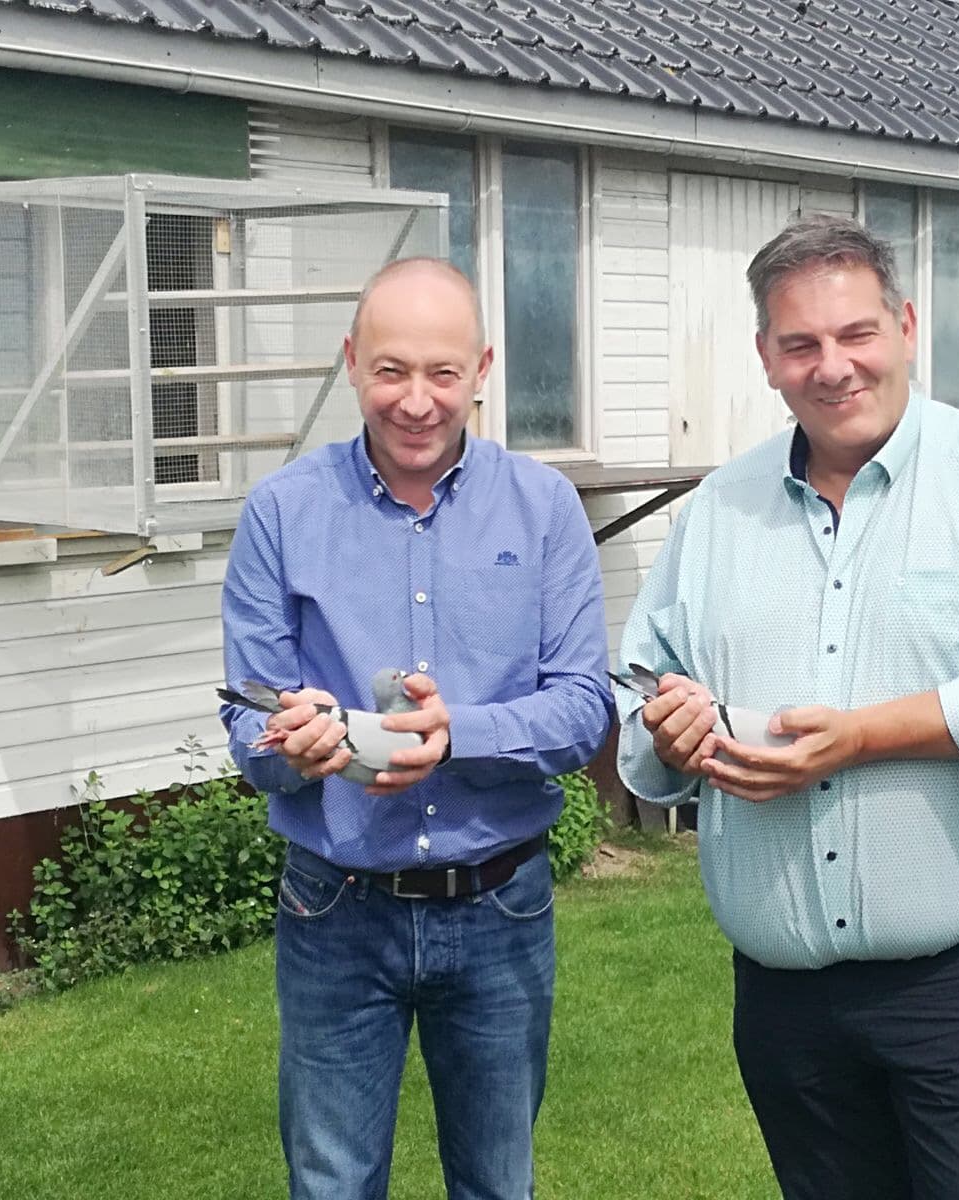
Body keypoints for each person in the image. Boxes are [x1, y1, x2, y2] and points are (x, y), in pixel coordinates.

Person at [616, 215, 959, 1200]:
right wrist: (667, 735)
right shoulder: (717, 512)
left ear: (906, 327)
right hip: (784, 1003)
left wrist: (859, 739)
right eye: (800, 343)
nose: (833, 366)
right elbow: (642, 696)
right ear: (766, 356)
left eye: (856, 334)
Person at [220, 257, 614, 1200]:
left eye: (443, 372)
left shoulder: (543, 507)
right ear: (352, 361)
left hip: (499, 904)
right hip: (335, 909)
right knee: (332, 1184)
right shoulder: (283, 512)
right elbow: (247, 721)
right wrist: (292, 751)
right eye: (391, 369)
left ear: (482, 370)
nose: (416, 400)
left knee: (497, 1183)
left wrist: (458, 733)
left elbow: (582, 707)